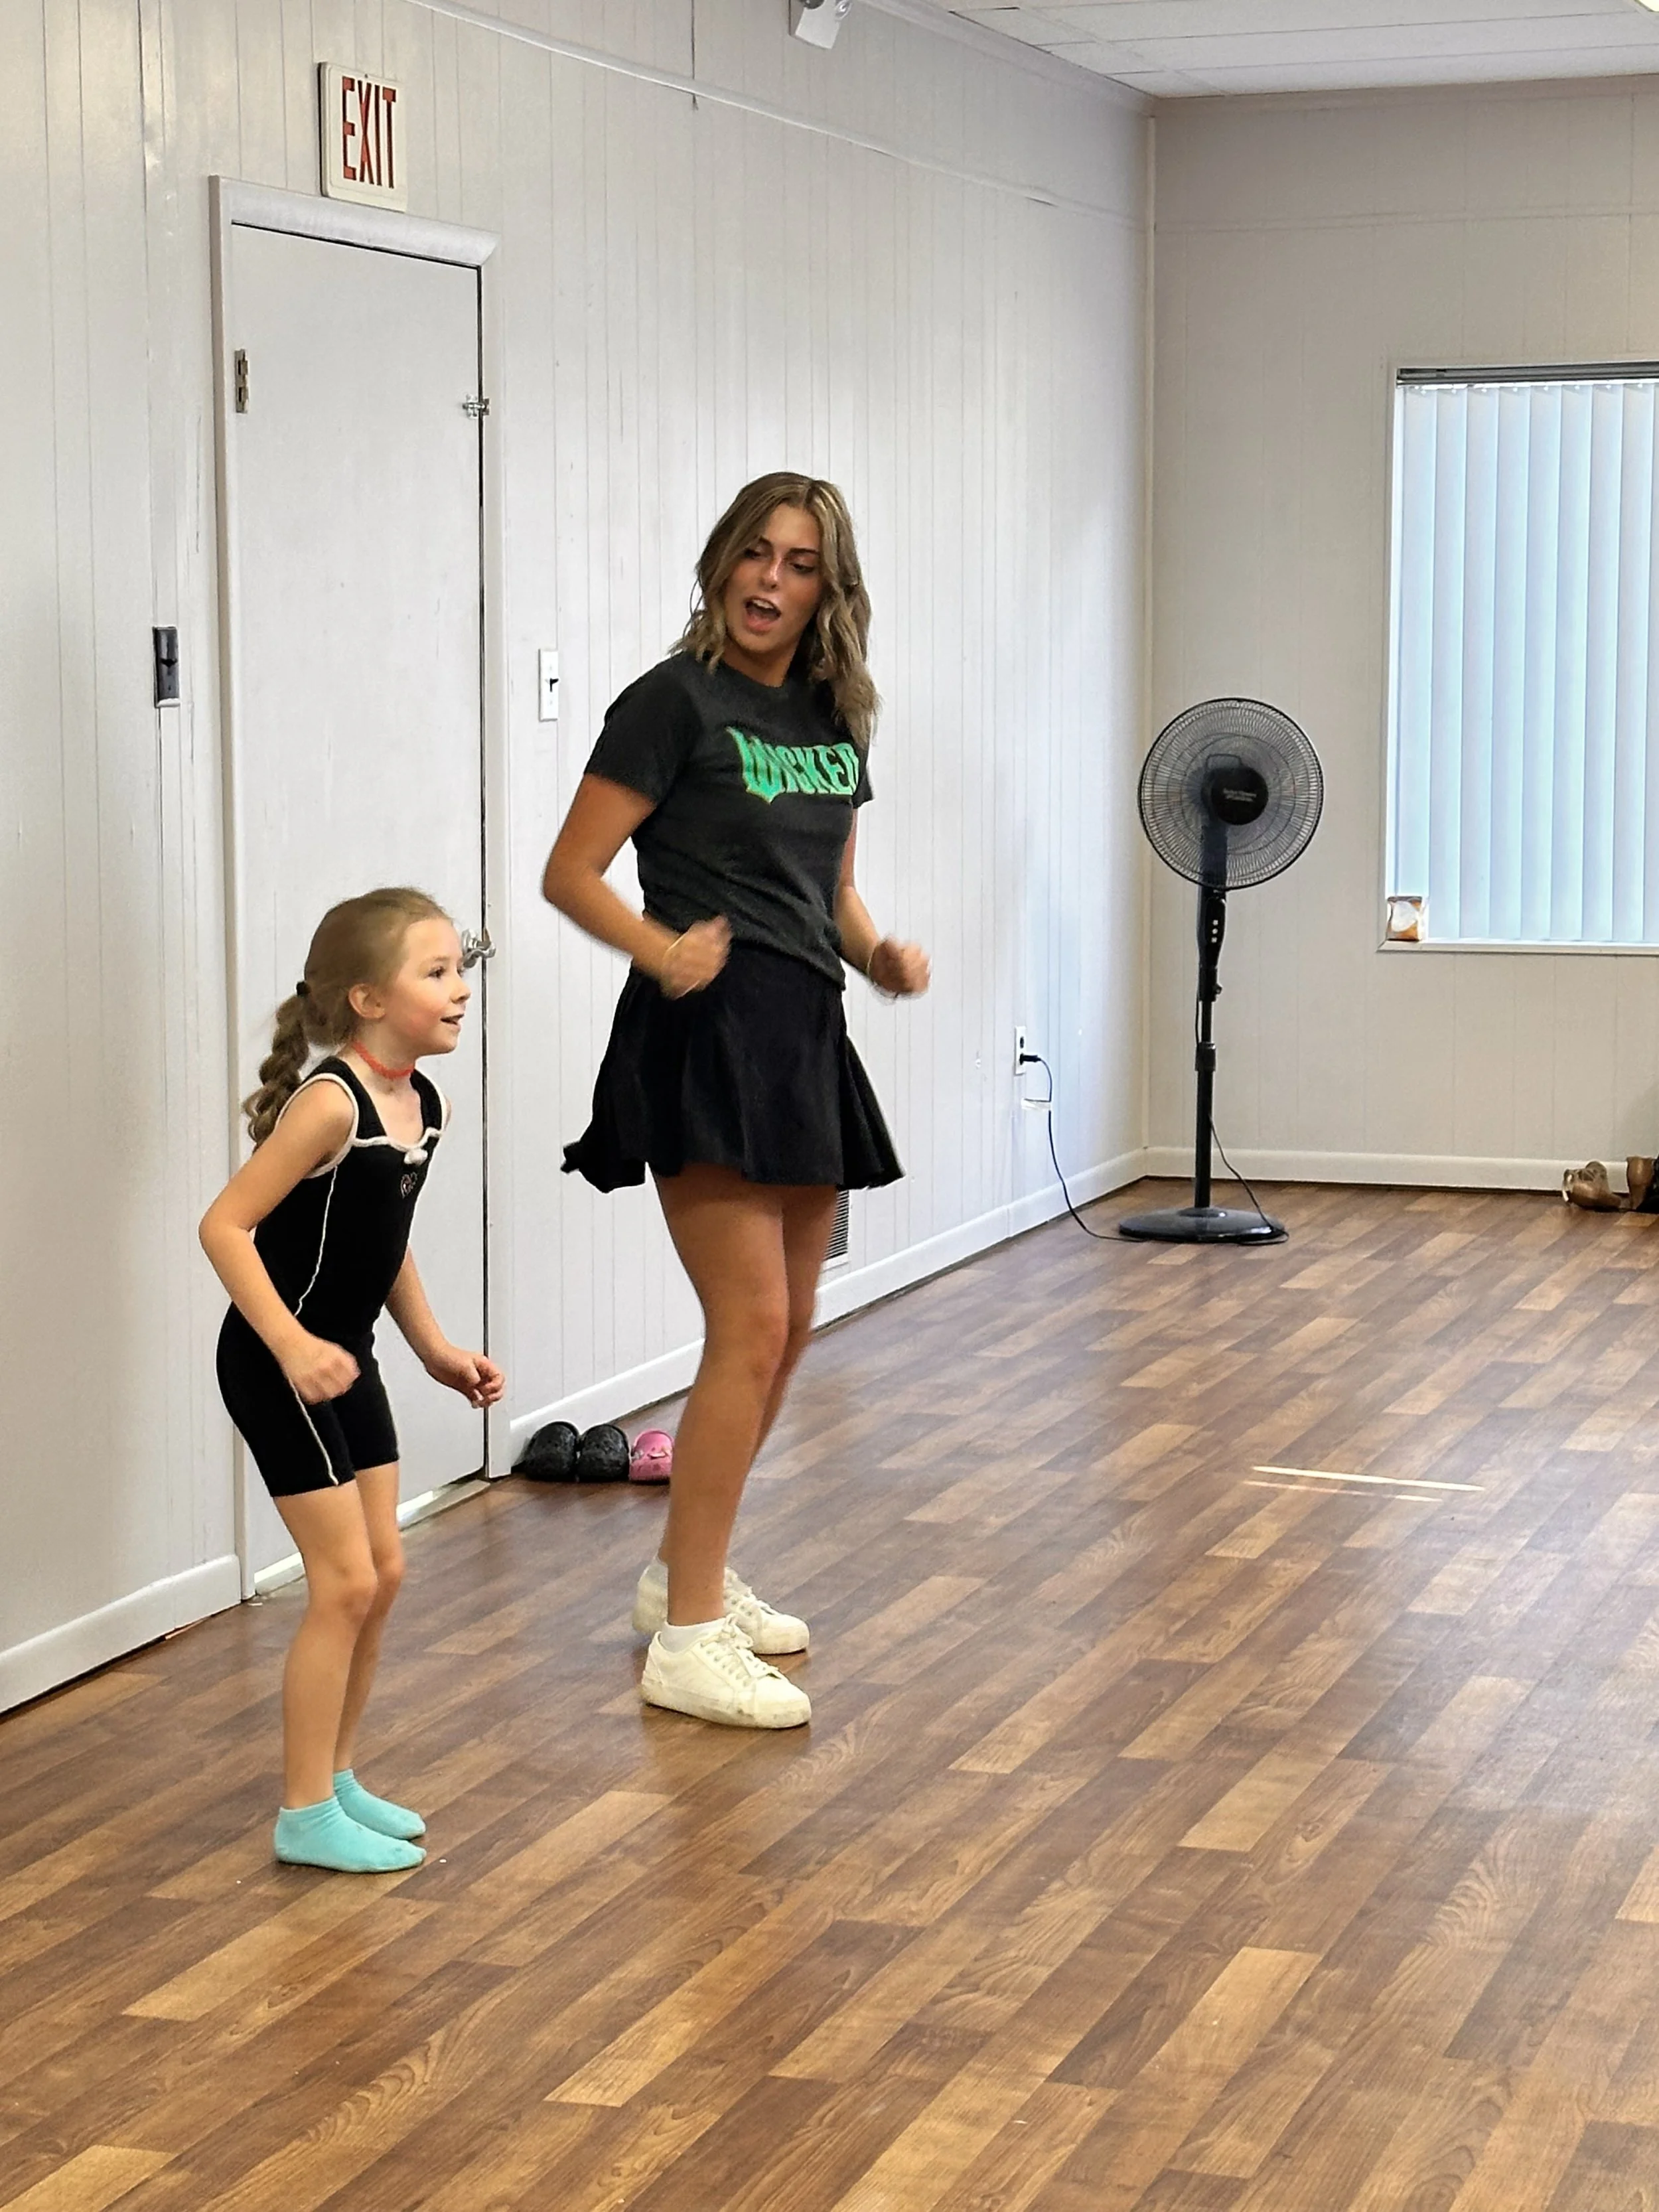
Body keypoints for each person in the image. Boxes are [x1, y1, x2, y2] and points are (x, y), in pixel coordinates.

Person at [544, 472, 929, 1731]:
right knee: (749, 1327)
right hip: (703, 1030)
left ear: (829, 589)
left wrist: (878, 955)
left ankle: (682, 1576)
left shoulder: (834, 717)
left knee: (793, 1325)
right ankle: (689, 1640)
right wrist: (660, 952)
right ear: (722, 563)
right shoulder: (670, 702)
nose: (771, 579)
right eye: (756, 553)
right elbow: (572, 871)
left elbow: (835, 891)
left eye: (800, 563)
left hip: (801, 1028)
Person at [200, 889, 504, 1872]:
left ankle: (335, 1778)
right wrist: (292, 1345)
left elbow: (385, 1240)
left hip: (347, 1356)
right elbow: (224, 1227)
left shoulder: (423, 1102)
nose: (460, 989)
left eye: (460, 969)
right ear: (368, 1000)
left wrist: (434, 1349)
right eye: (437, 972)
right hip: (277, 1361)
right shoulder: (330, 1102)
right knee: (344, 1582)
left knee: (385, 1573)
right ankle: (302, 1814)